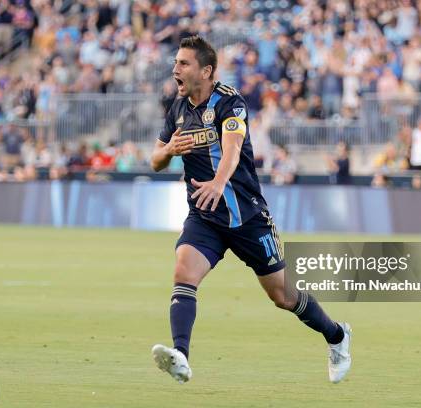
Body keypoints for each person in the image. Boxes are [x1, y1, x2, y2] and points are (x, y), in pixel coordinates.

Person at [149, 36, 351, 384]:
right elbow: (154, 160)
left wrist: (218, 182)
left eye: (183, 63)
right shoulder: (178, 109)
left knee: (283, 296)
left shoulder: (230, 102)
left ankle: (337, 336)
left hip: (247, 216)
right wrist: (168, 151)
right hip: (205, 216)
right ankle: (180, 354)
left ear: (206, 70)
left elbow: (232, 148)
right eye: (176, 62)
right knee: (184, 272)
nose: (175, 69)